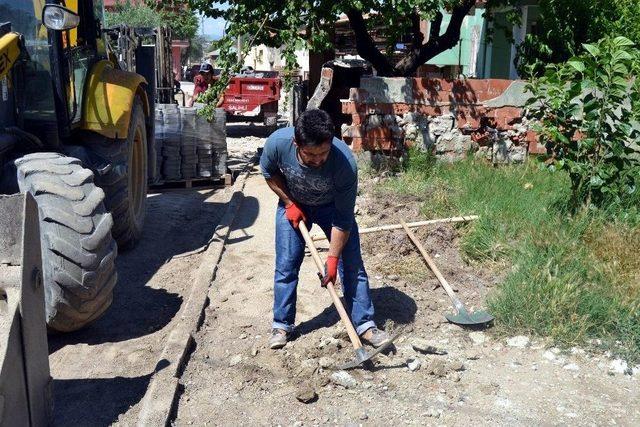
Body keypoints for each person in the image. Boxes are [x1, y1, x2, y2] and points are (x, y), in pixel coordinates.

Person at [260, 109, 390, 350]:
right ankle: (281, 325)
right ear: (296, 143)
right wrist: (288, 203)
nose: (318, 160)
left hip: (332, 207)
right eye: (311, 154)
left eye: (324, 153)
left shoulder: (344, 164)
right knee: (287, 264)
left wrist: (332, 258)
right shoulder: (277, 144)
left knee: (352, 265)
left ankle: (365, 324)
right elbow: (269, 173)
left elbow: (343, 219)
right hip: (295, 203)